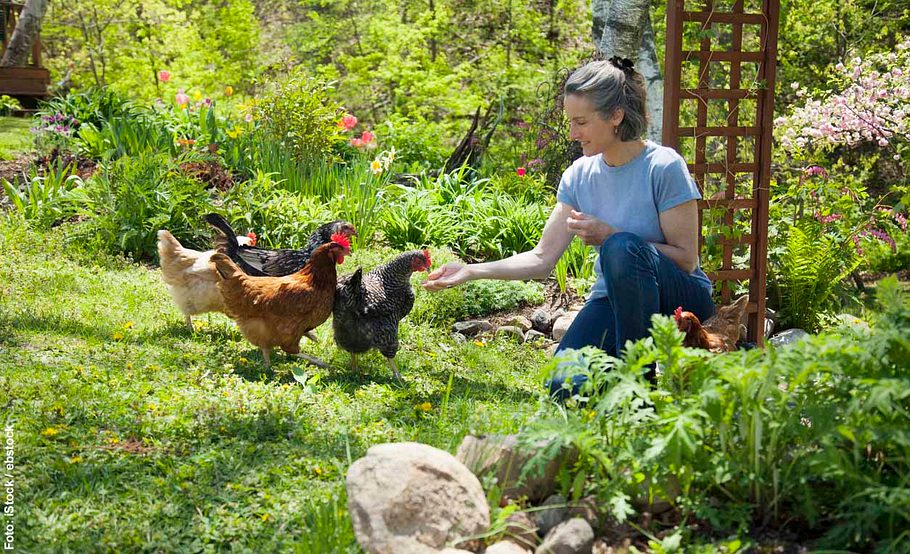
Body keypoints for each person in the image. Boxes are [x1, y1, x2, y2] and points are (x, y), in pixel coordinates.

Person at [422, 57, 715, 397]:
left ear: (616, 116)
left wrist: (611, 236)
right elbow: (542, 258)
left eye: (581, 122)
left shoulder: (663, 166)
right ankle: (615, 381)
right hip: (613, 299)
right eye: (570, 122)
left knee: (620, 248)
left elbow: (685, 259)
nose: (573, 134)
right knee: (563, 387)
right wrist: (470, 271)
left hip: (680, 295)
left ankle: (638, 391)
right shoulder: (579, 174)